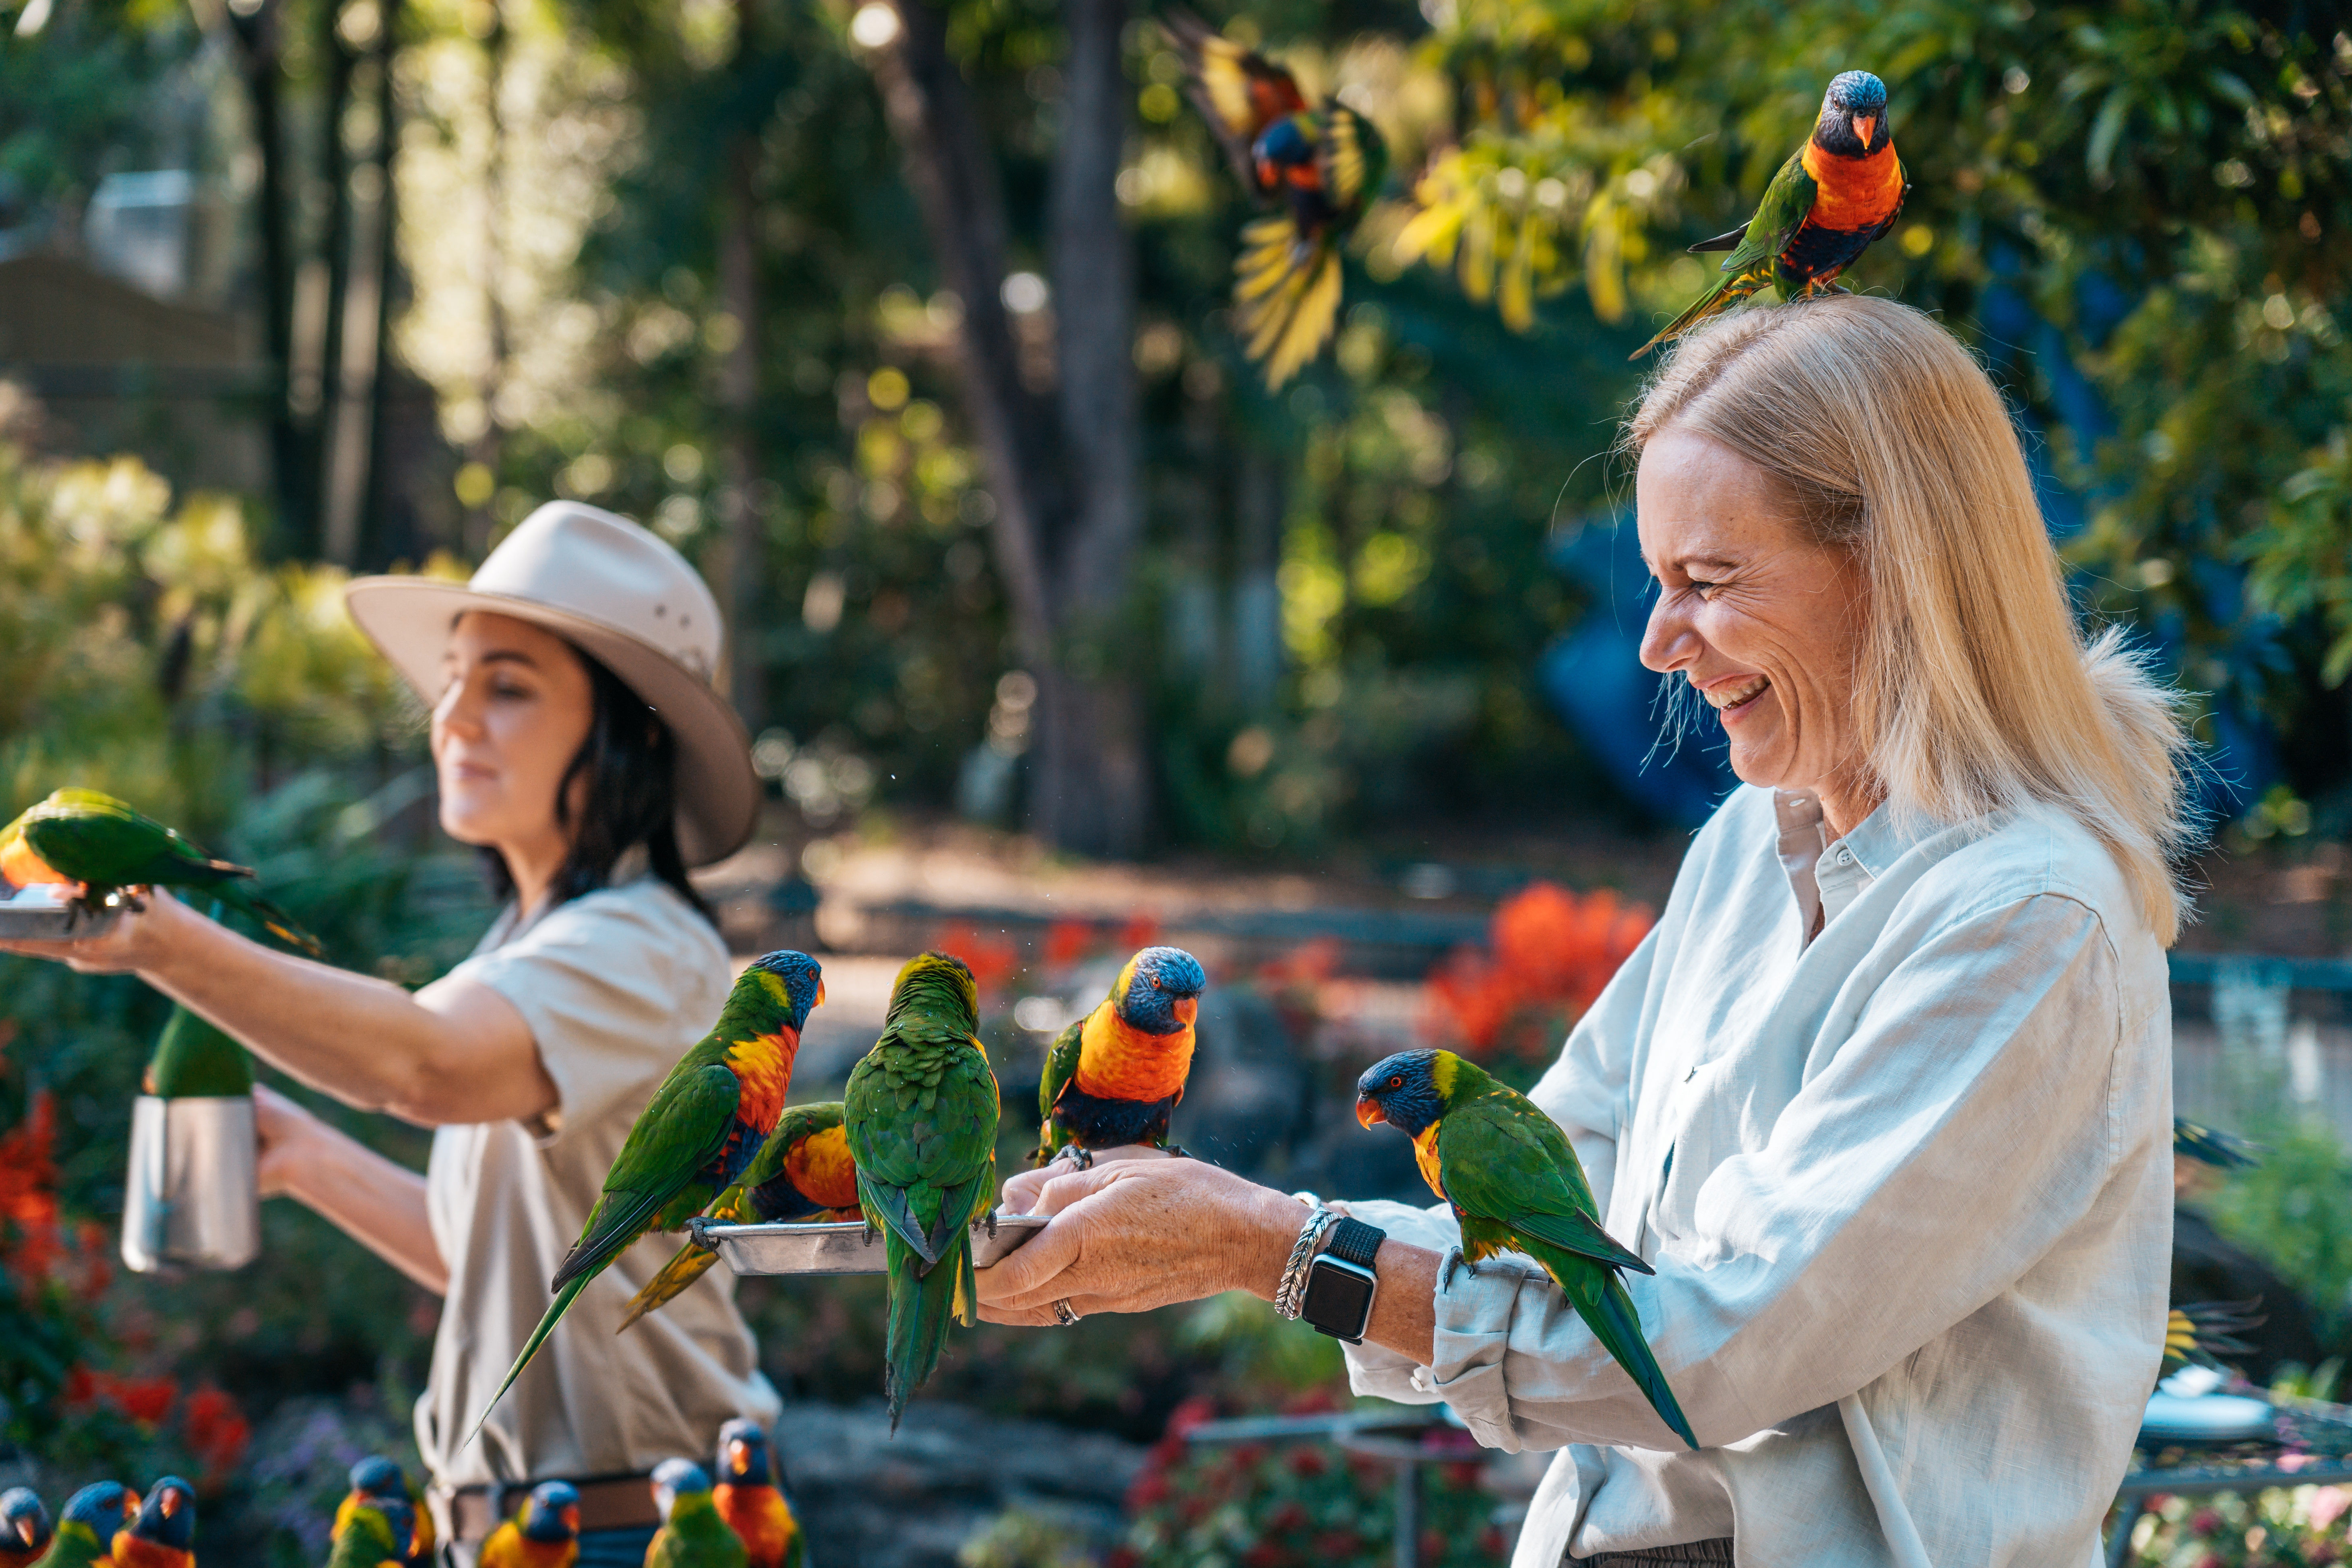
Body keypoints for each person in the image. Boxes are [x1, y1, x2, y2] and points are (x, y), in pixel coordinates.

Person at [976, 296, 2190, 1567]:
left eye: (1706, 583)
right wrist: (1207, 1223)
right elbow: (1559, 1229)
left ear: (1896, 567)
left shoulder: (2027, 918)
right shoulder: (1742, 847)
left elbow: (1721, 1348)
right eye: (1658, 585)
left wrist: (1270, 1249)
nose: (1661, 643)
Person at [0, 502, 778, 1567]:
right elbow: (500, 1263)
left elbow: (423, 1063)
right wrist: (303, 1154)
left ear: (628, 733)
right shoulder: (530, 947)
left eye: (508, 686)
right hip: (516, 1535)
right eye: (455, 679)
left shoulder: (646, 944)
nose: (450, 716)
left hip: (646, 1532)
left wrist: (159, 939)